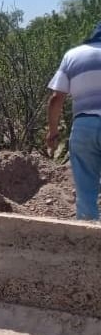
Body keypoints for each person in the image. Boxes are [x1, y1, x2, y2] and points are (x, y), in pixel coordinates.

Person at [46, 21, 101, 221]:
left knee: (86, 192)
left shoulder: (73, 56)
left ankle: (88, 243)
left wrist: (52, 132)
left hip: (83, 128)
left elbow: (56, 99)